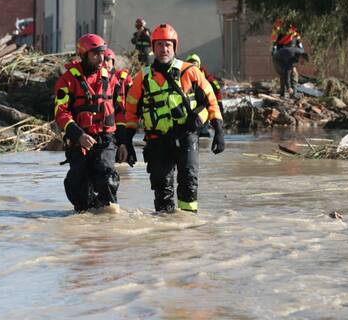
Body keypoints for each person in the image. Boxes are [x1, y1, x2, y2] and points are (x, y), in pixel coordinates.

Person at [123, 23, 225, 213]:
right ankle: (165, 232)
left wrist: (218, 131)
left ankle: (188, 225)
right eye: (160, 45)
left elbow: (211, 100)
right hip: (156, 139)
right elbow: (130, 110)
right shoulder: (142, 78)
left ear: (174, 47)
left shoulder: (190, 72)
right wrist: (127, 141)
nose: (164, 49)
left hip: (186, 135)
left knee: (189, 180)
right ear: (153, 48)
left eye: (168, 45)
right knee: (162, 187)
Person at [54, 34, 128, 213]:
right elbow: (60, 112)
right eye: (95, 54)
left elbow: (121, 111)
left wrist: (124, 142)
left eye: (102, 54)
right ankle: (87, 222)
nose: (100, 58)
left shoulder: (111, 79)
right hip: (79, 139)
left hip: (105, 138)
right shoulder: (67, 81)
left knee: (106, 178)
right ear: (83, 55)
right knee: (77, 185)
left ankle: (110, 218)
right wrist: (78, 135)